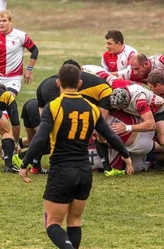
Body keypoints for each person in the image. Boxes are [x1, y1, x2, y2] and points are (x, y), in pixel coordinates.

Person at [19, 64, 133, 249]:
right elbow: (110, 135)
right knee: (74, 221)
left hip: (62, 171)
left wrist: (25, 164)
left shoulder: (53, 106)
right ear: (80, 83)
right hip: (84, 172)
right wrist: (126, 156)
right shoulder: (92, 108)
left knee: (53, 223)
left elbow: (40, 139)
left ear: (58, 83)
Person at [0, 10, 38, 93]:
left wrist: (29, 70)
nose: (1, 23)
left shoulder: (20, 35)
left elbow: (34, 50)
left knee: (7, 98)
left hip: (13, 78)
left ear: (10, 21)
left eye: (4, 21)